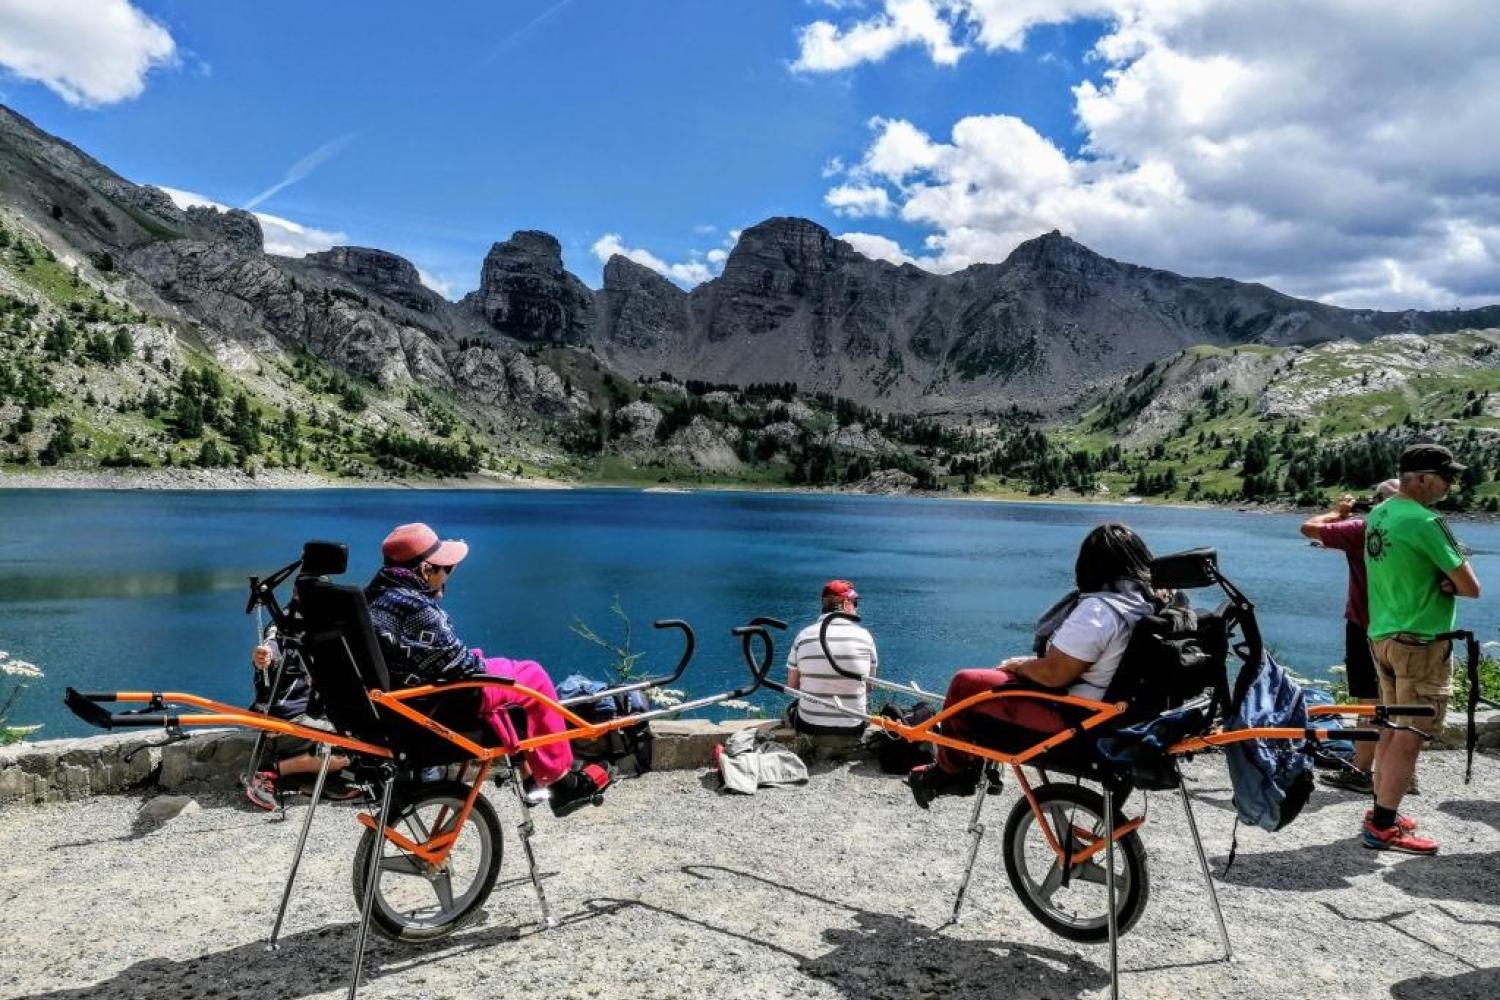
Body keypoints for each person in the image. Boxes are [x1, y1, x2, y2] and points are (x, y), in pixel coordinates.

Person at [364, 522, 612, 817]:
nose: (448, 576)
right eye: (446, 569)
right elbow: (463, 667)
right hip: (438, 702)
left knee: (507, 675)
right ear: (425, 571)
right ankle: (559, 780)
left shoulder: (374, 598)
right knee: (532, 676)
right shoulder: (416, 608)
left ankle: (531, 769)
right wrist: (478, 661)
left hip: (399, 700)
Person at [908, 523, 1159, 808]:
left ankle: (949, 772)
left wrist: (1020, 667)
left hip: (1074, 718)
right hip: (1110, 711)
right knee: (986, 682)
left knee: (965, 683)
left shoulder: (1100, 611)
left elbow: (1055, 674)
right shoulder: (1144, 605)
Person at [1361, 444, 1480, 854]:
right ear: (1425, 479)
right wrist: (1448, 582)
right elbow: (1471, 587)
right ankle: (1383, 825)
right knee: (1412, 732)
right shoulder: (1427, 521)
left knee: (1392, 727)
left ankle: (1382, 809)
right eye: (1448, 478)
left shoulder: (1380, 513)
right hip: (1420, 640)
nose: (1451, 486)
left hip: (1384, 634)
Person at [1299, 479, 1400, 792]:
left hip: (1366, 624)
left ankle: (1361, 771)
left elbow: (1309, 527)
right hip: (1408, 628)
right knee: (1400, 702)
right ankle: (1402, 774)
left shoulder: (1363, 531)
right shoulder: (1417, 529)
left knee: (1369, 702)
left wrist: (1339, 511)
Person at [243, 630, 359, 810]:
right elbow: (270, 649)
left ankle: (307, 779)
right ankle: (269, 772)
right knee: (357, 747)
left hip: (316, 716)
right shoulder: (284, 627)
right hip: (286, 719)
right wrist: (264, 657)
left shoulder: (334, 628)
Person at [784, 580, 879, 760]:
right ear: (845, 604)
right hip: (853, 727)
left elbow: (792, 687)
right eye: (855, 603)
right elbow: (870, 687)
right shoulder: (865, 637)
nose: (857, 608)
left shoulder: (803, 636)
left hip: (810, 726)